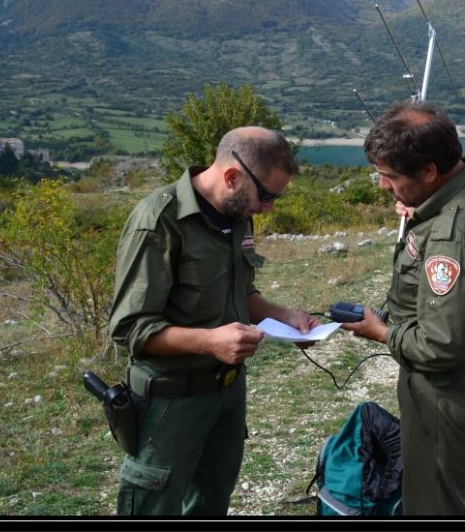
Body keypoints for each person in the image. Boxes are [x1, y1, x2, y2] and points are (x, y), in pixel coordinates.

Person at [107, 126, 321, 516]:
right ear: (232, 176)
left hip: (226, 393)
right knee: (153, 507)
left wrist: (285, 317)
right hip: (171, 401)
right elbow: (128, 328)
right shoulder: (159, 220)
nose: (269, 207)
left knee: (210, 502)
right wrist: (210, 341)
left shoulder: (238, 214)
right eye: (267, 195)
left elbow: (240, 292)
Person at [341, 101, 465, 516]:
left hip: (446, 387)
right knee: (437, 489)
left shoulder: (452, 234)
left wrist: (379, 332)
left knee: (431, 504)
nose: (383, 186)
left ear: (429, 172)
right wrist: (420, 210)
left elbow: (441, 346)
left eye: (389, 177)